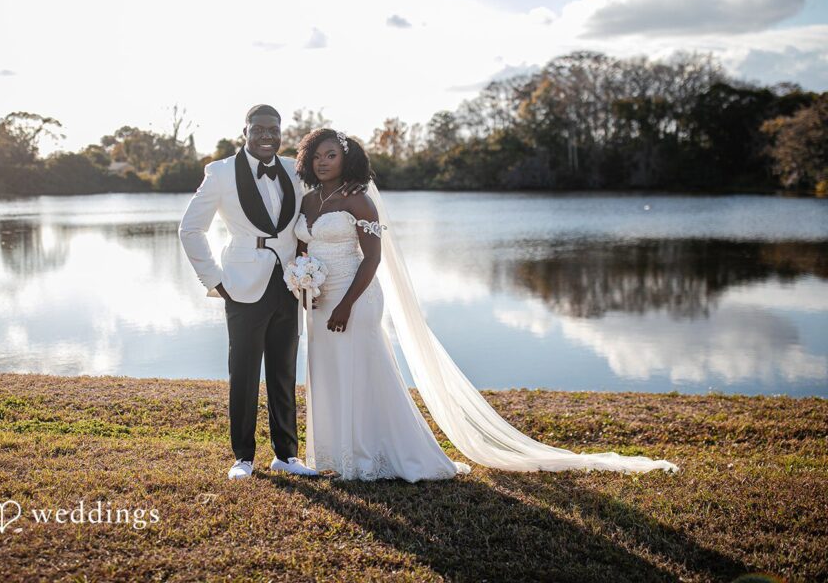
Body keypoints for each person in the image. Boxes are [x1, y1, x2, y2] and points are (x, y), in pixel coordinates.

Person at [293, 128, 680, 480]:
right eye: (317, 157)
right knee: (328, 372)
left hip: (355, 298)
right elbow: (301, 249)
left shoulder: (359, 201)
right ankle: (333, 455)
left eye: (331, 155)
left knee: (362, 371)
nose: (323, 162)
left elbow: (373, 259)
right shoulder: (309, 200)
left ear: (346, 158)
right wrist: (304, 281)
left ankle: (371, 456)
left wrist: (345, 305)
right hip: (320, 300)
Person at [178, 105, 365, 480]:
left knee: (283, 371)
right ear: (244, 131)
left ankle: (287, 455)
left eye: (273, 130)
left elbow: (322, 200)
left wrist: (350, 189)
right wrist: (214, 280)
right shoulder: (220, 173)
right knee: (243, 372)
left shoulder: (295, 171)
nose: (267, 136)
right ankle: (243, 458)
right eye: (259, 129)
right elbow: (190, 230)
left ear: (281, 133)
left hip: (290, 283)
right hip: (241, 285)